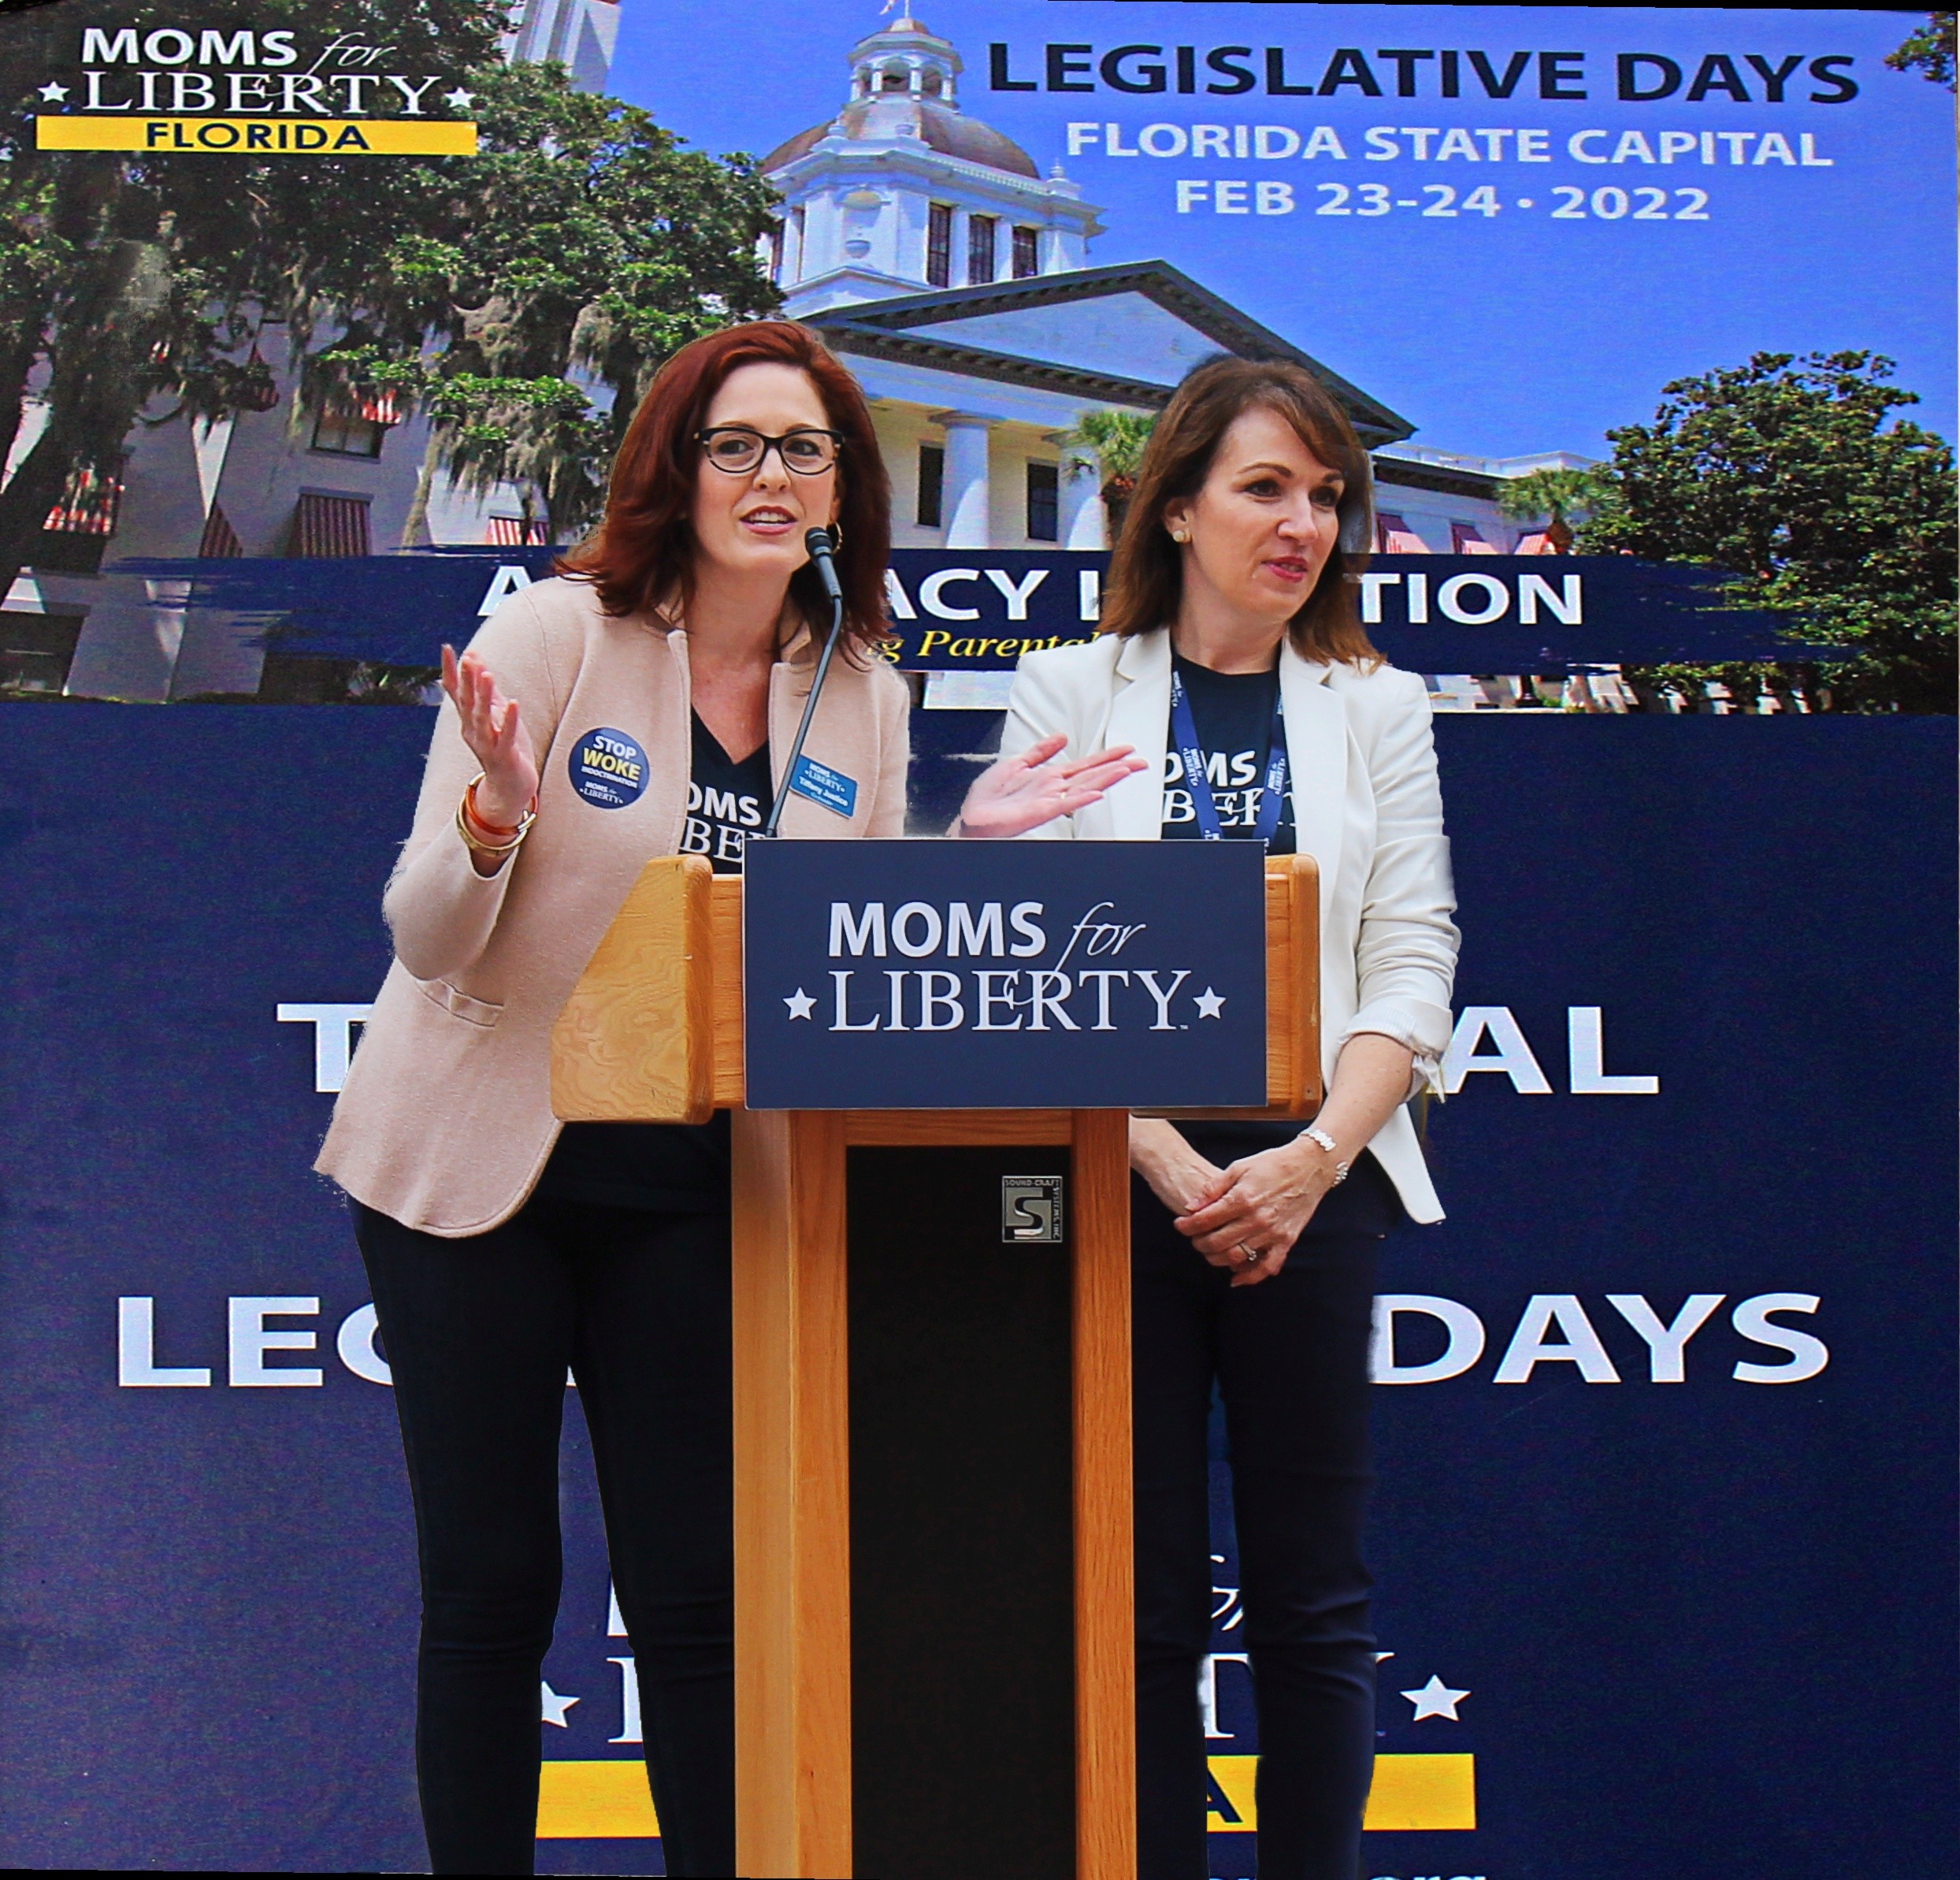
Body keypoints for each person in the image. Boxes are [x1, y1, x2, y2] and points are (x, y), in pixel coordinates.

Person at [315, 321, 908, 1878]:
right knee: (494, 1587)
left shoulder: (860, 693)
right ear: (675, 467)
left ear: (843, 485)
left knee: (703, 1596)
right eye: (737, 445)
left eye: (805, 449)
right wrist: (495, 815)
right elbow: (426, 935)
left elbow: (836, 966)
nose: (772, 476)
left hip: (700, 1184)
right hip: (480, 1172)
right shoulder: (556, 633)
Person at [957, 355, 1461, 1880]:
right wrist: (1163, 1156)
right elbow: (1014, 961)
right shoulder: (1067, 688)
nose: (1303, 522)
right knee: (1140, 1596)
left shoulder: (1378, 704)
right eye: (1264, 487)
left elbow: (1411, 957)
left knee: (1314, 1600)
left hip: (1316, 1180)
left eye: (1325, 495)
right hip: (1118, 1173)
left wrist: (1308, 1160)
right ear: (1175, 507)